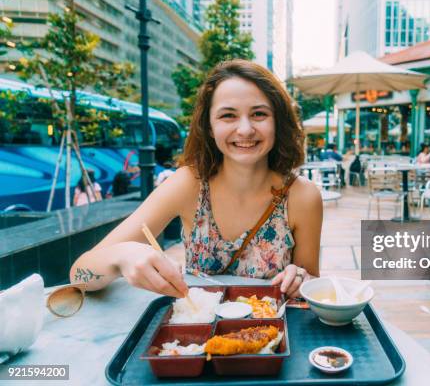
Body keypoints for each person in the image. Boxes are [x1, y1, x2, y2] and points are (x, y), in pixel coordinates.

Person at [70, 60, 323, 299]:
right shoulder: (188, 184)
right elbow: (78, 276)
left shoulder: (303, 196)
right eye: (228, 115)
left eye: (259, 114)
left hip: (273, 339)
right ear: (210, 127)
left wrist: (302, 279)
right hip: (195, 341)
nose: (245, 129)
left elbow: (309, 288)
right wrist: (124, 255)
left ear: (277, 122)